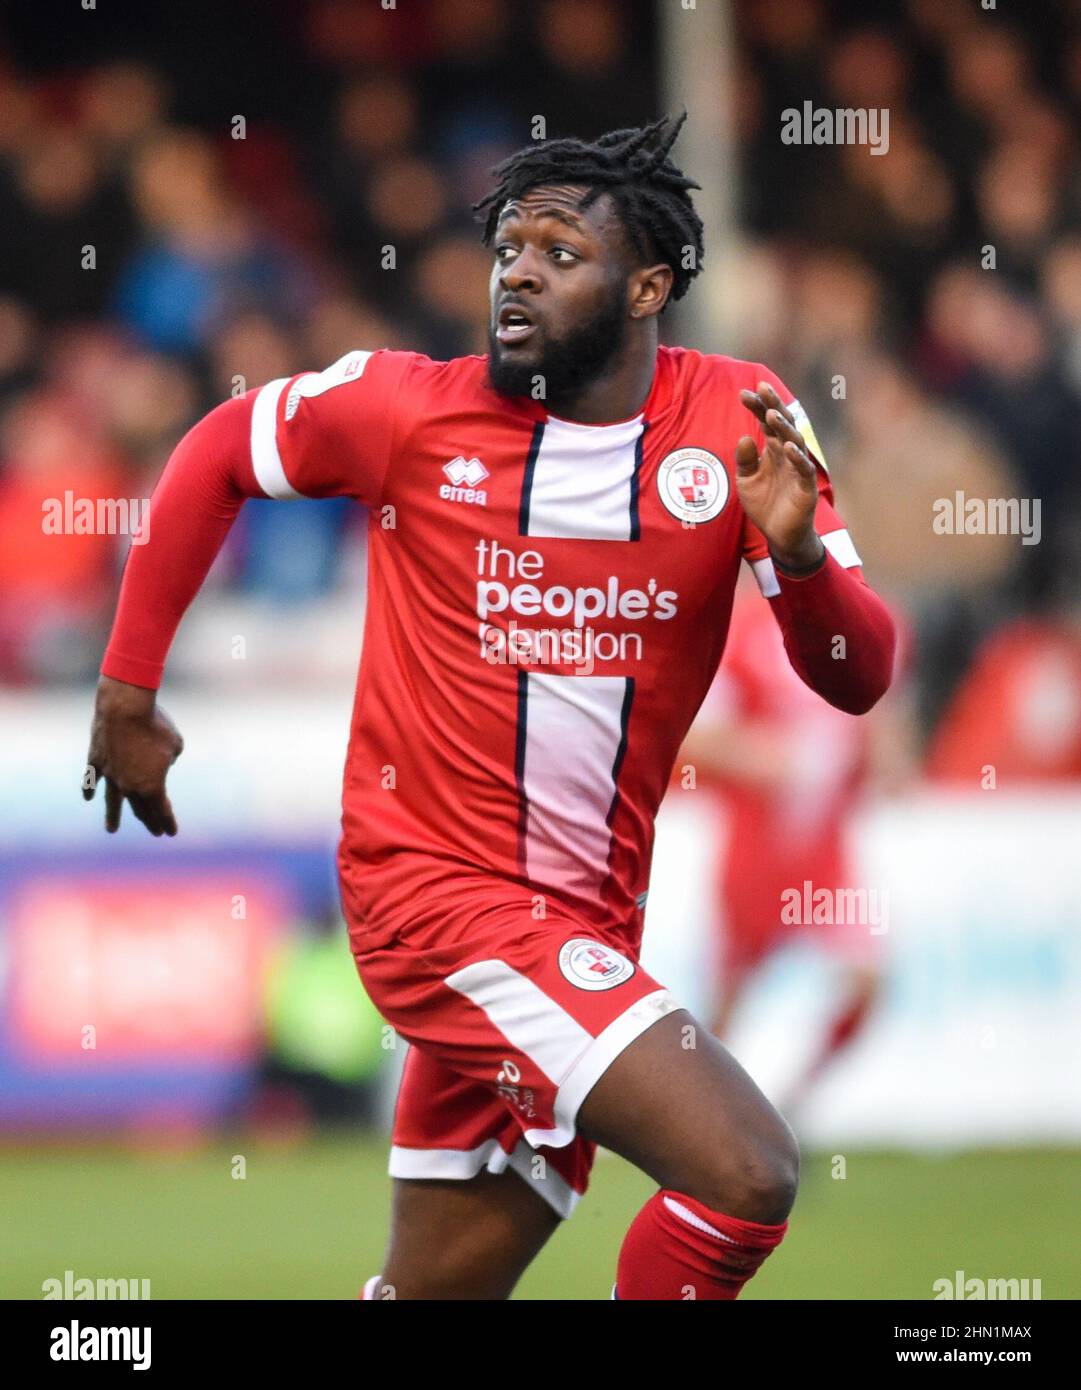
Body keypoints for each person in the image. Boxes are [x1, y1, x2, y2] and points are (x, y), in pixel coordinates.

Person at [84, 116, 895, 1300]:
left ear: (646, 287)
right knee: (746, 1170)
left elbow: (856, 676)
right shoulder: (407, 411)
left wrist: (801, 560)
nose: (515, 268)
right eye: (509, 245)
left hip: (584, 925)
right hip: (434, 902)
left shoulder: (738, 419)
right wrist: (127, 688)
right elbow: (217, 449)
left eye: (558, 251)